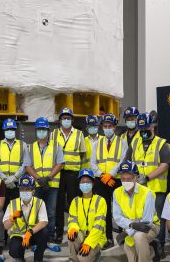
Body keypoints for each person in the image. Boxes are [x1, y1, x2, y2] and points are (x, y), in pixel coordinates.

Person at [125, 112, 170, 255]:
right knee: (142, 218)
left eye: (145, 128)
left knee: (158, 220)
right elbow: (129, 162)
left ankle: (160, 246)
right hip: (140, 189)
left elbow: (165, 165)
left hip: (156, 188)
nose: (143, 131)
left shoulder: (162, 143)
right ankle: (145, 244)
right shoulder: (135, 143)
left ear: (152, 126)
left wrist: (147, 177)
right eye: (141, 129)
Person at [25, 117, 64, 252]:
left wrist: (48, 178)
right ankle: (36, 241)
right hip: (37, 185)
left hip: (52, 185)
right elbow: (28, 166)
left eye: (44, 130)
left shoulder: (56, 146)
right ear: (36, 131)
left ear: (48, 131)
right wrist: (39, 179)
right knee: (35, 213)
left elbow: (60, 164)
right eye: (39, 129)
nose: (42, 132)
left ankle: (50, 240)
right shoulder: (30, 147)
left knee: (51, 213)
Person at [90, 113, 127, 249]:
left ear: (115, 127)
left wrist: (110, 174)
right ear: (102, 127)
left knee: (121, 209)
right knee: (104, 210)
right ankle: (108, 238)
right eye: (105, 126)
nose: (107, 128)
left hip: (116, 180)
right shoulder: (96, 143)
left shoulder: (122, 142)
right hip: (101, 181)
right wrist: (102, 175)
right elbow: (92, 163)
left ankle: (124, 237)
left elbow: (122, 161)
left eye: (109, 126)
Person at [113, 161, 161, 262]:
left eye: (129, 179)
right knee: (129, 248)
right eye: (123, 179)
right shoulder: (116, 193)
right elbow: (117, 216)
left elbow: (146, 222)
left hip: (150, 227)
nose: (125, 182)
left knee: (139, 237)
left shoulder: (148, 194)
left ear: (136, 177)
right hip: (131, 228)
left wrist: (127, 232)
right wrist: (132, 226)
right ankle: (152, 248)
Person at [51, 108, 86, 244]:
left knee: (73, 202)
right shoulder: (54, 134)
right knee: (58, 203)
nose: (66, 120)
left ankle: (74, 229)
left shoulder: (78, 134)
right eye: (64, 118)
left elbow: (82, 154)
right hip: (58, 172)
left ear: (72, 119)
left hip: (73, 173)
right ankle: (59, 232)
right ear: (60, 120)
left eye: (68, 118)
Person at [3, 175, 48, 262]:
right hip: (18, 235)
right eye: (22, 189)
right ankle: (20, 256)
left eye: (27, 189)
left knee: (45, 233)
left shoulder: (39, 202)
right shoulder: (12, 203)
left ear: (33, 191)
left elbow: (44, 222)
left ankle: (38, 258)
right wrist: (12, 218)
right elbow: (6, 226)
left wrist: (30, 232)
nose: (24, 191)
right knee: (13, 251)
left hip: (33, 233)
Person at [67, 168, 107, 262]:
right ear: (79, 184)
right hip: (81, 234)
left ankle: (95, 254)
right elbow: (72, 220)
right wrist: (73, 228)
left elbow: (99, 225)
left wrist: (89, 243)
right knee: (71, 235)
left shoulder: (100, 201)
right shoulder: (75, 201)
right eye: (83, 181)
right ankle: (73, 259)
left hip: (96, 238)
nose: (85, 184)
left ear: (93, 184)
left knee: (83, 259)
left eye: (88, 181)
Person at [0, 118, 30, 209]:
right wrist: (5, 179)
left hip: (16, 184)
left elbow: (25, 164)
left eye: (12, 129)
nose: (9, 131)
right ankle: (5, 224)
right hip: (1, 183)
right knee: (2, 208)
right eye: (7, 129)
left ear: (15, 130)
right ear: (4, 130)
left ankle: (15, 223)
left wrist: (14, 178)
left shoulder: (22, 145)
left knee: (16, 208)